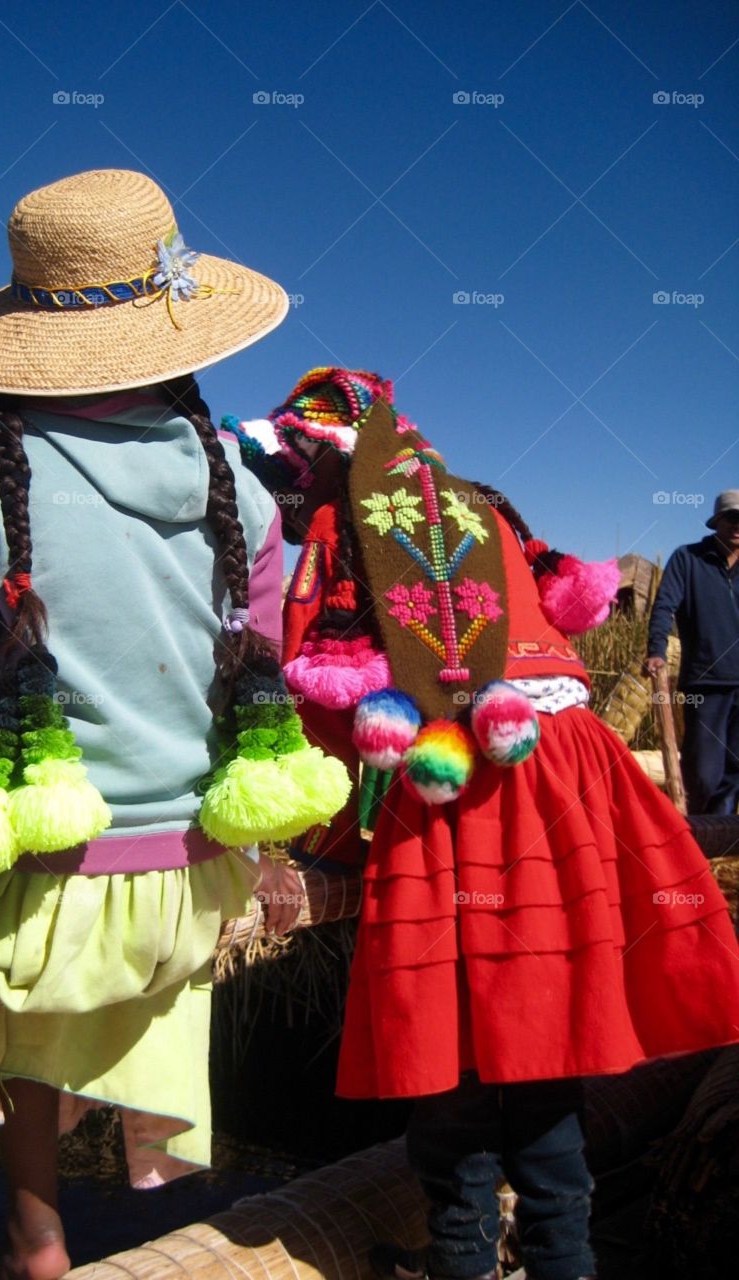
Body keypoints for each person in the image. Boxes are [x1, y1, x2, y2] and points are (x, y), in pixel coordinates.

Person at [0, 171, 350, 1280]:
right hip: (193, 889)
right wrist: (256, 854)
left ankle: (28, 1221)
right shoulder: (244, 495)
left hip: (54, 895)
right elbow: (250, 705)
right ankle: (99, 1203)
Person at [228, 368, 739, 1280]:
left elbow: (322, 695)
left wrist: (317, 843)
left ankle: (462, 1258)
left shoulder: (340, 529)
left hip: (456, 787)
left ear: (313, 458)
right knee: (544, 1049)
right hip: (564, 774)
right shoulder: (482, 507)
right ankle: (564, 1260)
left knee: (455, 1054)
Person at [646, 490, 739, 814]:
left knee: (734, 771)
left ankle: (720, 838)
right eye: (731, 518)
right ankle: (693, 830)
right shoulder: (688, 559)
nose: (737, 526)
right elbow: (664, 607)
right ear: (717, 522)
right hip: (707, 682)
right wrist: (656, 649)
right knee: (703, 772)